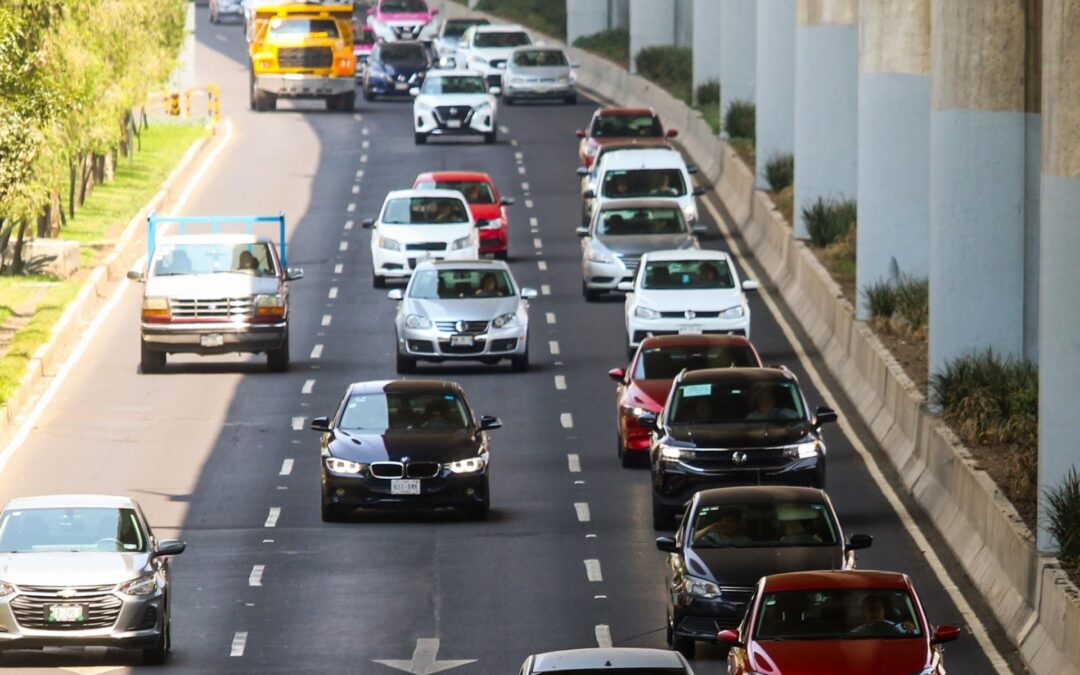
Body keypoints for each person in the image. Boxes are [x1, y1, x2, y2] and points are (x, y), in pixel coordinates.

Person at [850, 595, 915, 636]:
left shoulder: (898, 627)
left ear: (883, 609)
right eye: (870, 609)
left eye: (877, 608)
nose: (875, 612)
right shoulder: (856, 633)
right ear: (864, 612)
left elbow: (911, 634)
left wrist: (909, 627)